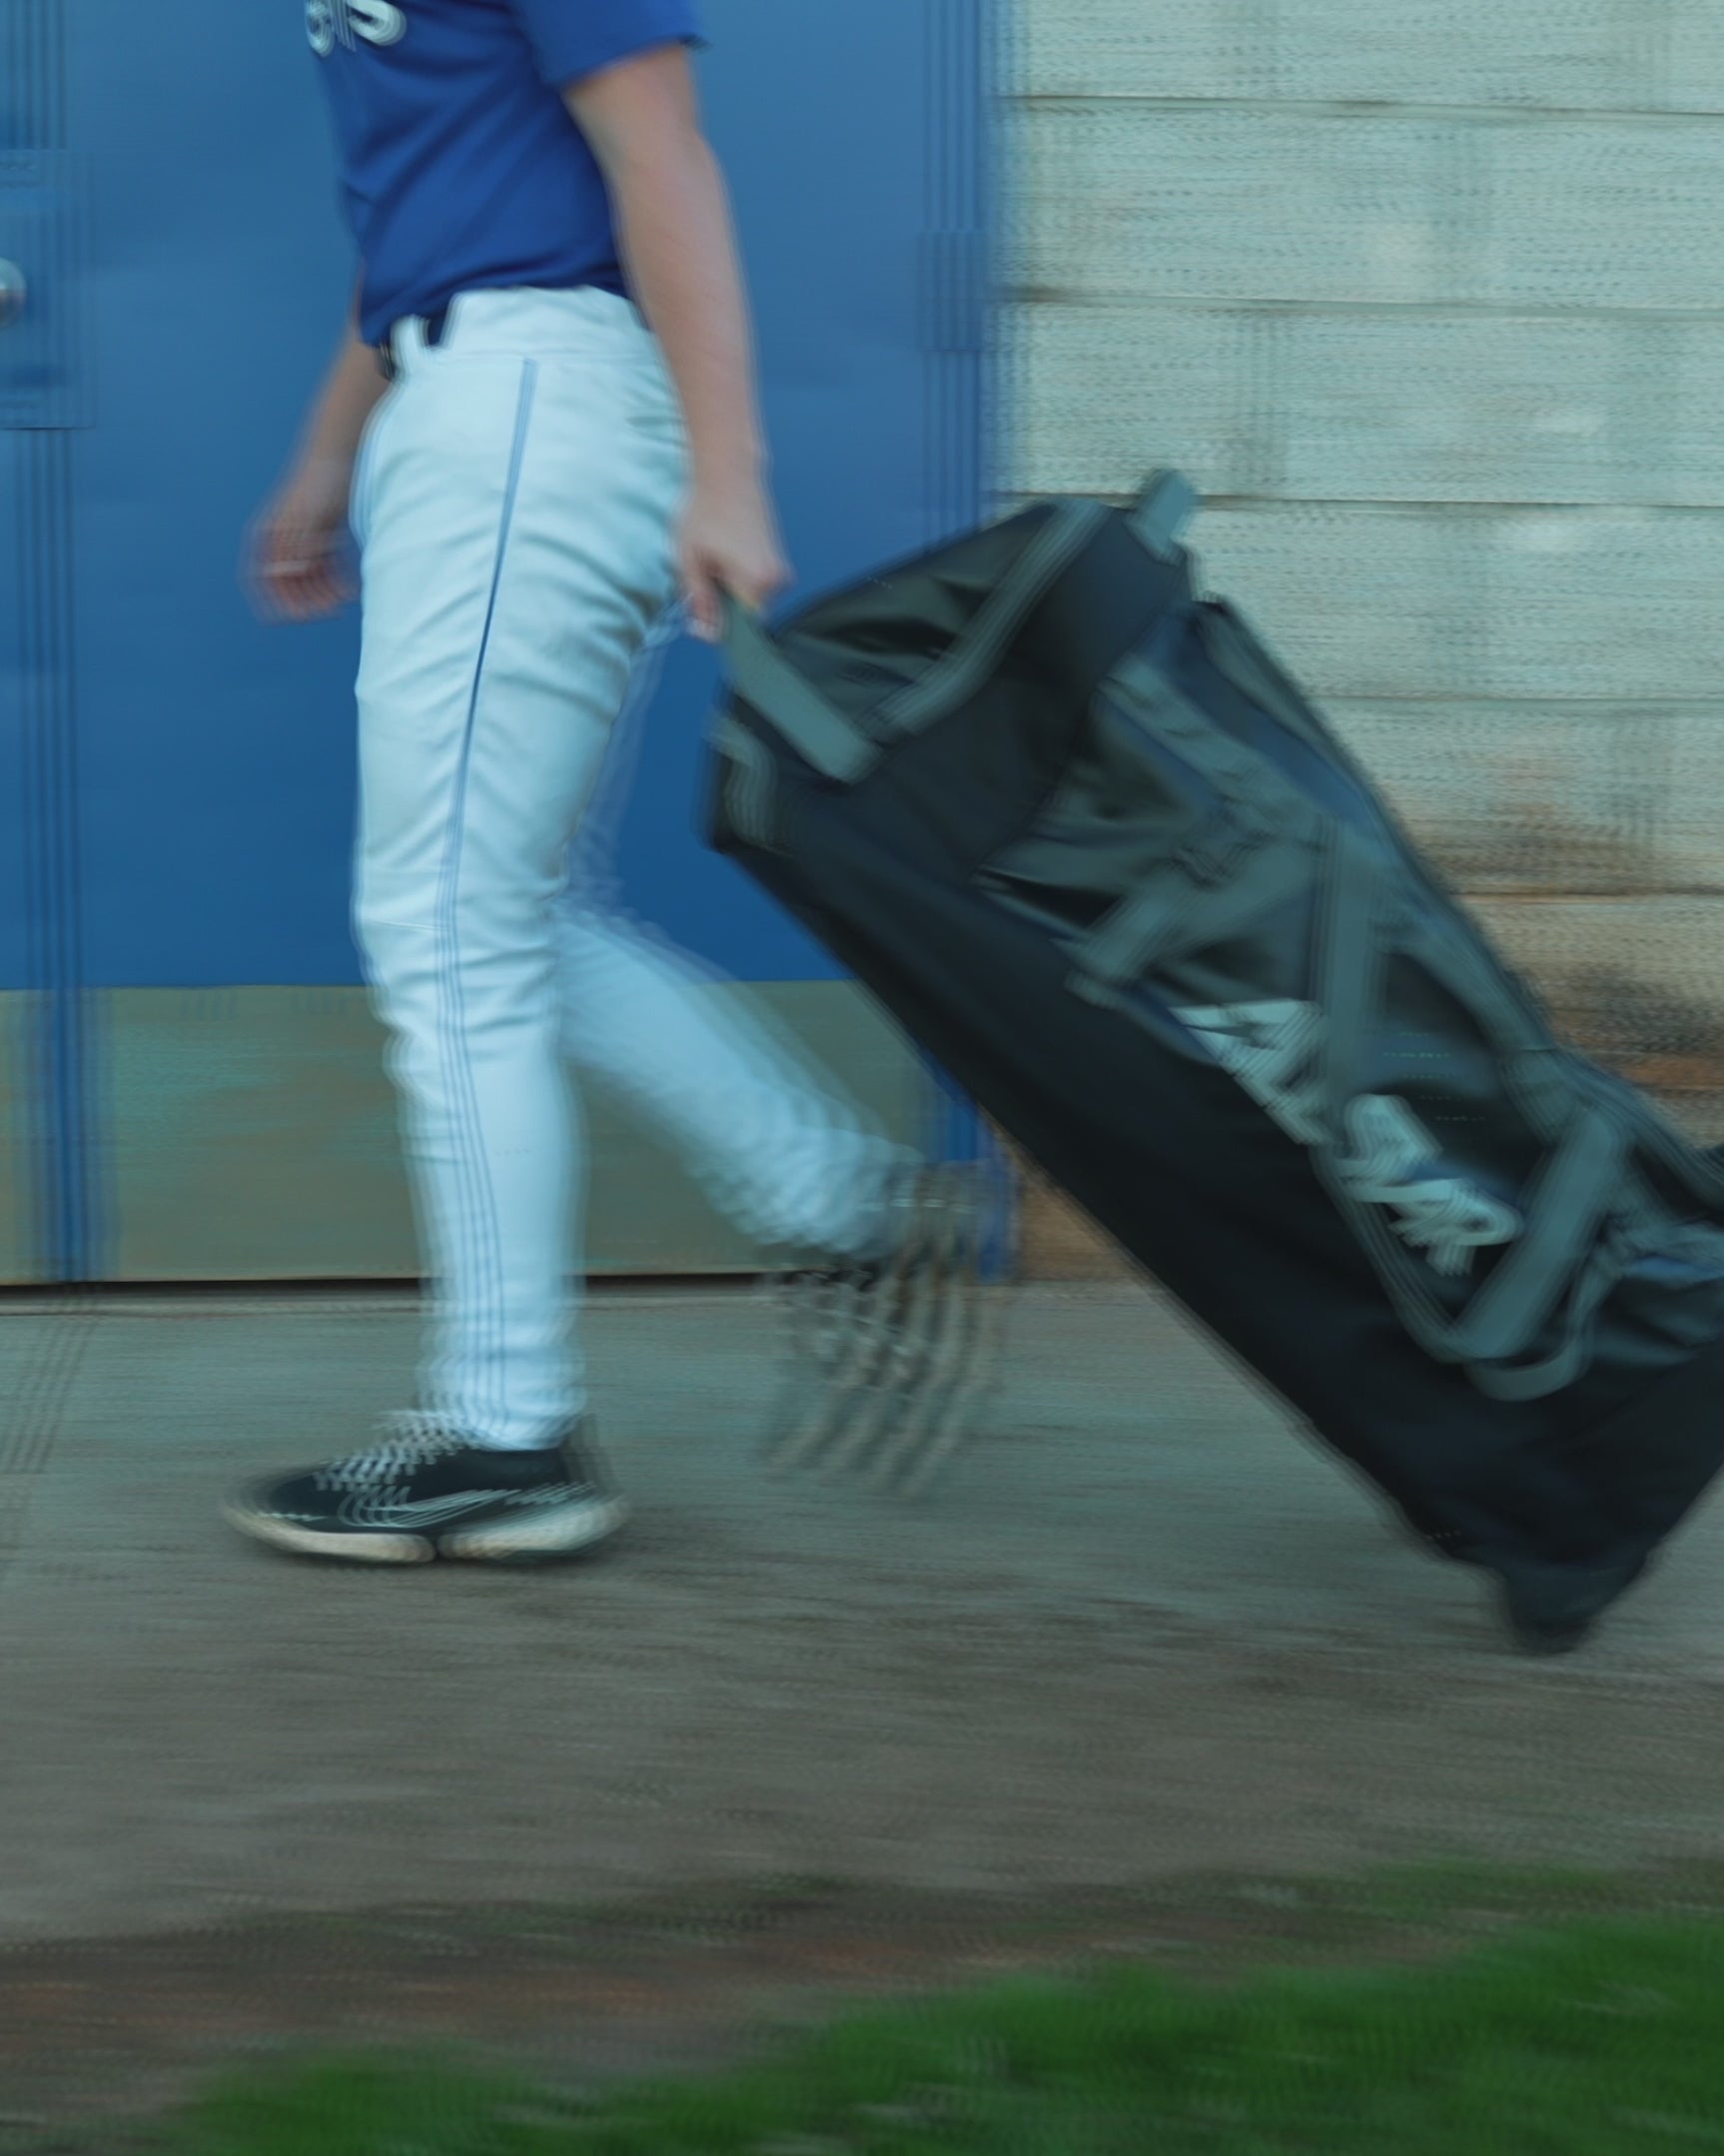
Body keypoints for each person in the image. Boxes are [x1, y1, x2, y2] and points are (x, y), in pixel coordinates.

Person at [224, 0, 982, 1565]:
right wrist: (325, 456)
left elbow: (659, 151)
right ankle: (830, 1190)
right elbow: (423, 209)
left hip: (526, 405)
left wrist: (729, 474)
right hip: (458, 398)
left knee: (449, 929)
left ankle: (507, 1432)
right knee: (516, 910)